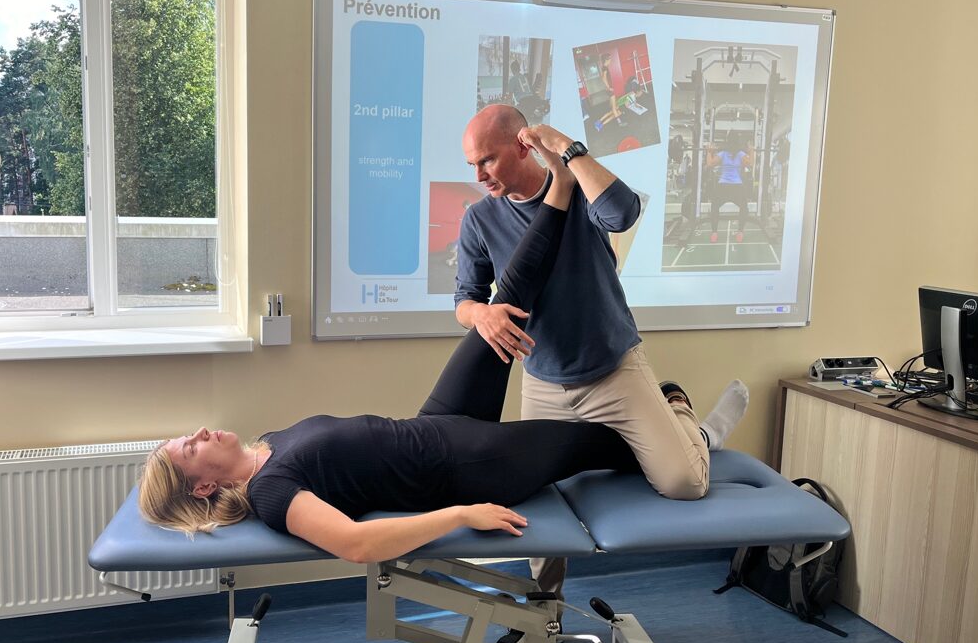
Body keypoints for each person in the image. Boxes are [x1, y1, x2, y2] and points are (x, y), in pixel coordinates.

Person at [139, 145, 642, 564]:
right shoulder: (269, 492)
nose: (200, 432)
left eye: (190, 436)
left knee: (501, 310)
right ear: (203, 488)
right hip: (466, 467)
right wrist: (461, 515)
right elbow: (357, 545)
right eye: (191, 449)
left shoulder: (268, 444)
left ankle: (561, 184)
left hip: (436, 423)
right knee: (604, 443)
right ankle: (676, 413)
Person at [455, 105, 749, 622]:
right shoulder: (480, 219)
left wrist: (566, 148)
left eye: (487, 160)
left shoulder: (577, 192)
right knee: (533, 502)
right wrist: (482, 315)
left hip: (614, 369)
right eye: (472, 165)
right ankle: (544, 616)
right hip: (544, 381)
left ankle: (690, 422)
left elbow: (623, 213)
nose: (478, 175)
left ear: (522, 146)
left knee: (686, 484)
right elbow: (465, 299)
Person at [706, 139, 756, 243]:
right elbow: (751, 164)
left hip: (723, 186)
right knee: (744, 208)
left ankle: (714, 233)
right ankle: (740, 232)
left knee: (714, 207)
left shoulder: (722, 154)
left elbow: (710, 164)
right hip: (737, 187)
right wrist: (751, 151)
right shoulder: (741, 154)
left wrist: (709, 152)